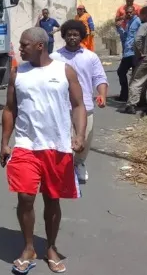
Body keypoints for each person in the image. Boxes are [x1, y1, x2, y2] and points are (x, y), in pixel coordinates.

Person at [1, 27, 87, 274]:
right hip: (26, 145)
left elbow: (78, 105)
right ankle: (28, 247)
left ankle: (50, 246)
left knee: (52, 199)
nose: (20, 49)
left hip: (57, 146)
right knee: (25, 197)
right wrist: (5, 142)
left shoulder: (63, 71)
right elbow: (9, 109)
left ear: (40, 45)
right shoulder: (18, 74)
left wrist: (79, 135)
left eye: (24, 44)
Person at [51, 20, 108, 183]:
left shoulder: (91, 57)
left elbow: (99, 78)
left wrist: (102, 94)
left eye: (76, 34)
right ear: (64, 36)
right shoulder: (55, 57)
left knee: (84, 140)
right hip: (61, 107)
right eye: (69, 34)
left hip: (85, 107)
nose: (72, 37)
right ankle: (63, 169)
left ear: (82, 36)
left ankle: (79, 164)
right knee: (63, 141)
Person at [115, 5, 142, 102]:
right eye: (127, 12)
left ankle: (135, 98)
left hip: (135, 52)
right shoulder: (128, 23)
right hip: (127, 52)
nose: (129, 14)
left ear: (134, 12)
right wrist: (119, 28)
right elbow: (125, 37)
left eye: (131, 12)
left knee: (135, 76)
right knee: (121, 72)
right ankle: (125, 95)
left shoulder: (138, 21)